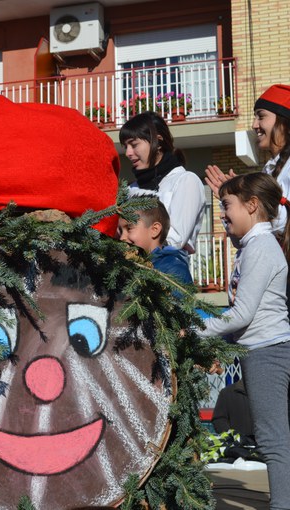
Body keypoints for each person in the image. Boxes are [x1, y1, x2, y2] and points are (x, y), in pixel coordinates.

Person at [196, 172, 290, 508]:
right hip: (261, 351)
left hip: (268, 353)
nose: (222, 213)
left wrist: (194, 330)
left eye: (226, 205)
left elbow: (242, 314)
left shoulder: (261, 247)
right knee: (273, 436)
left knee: (272, 439)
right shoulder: (255, 245)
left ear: (252, 205)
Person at [206, 84, 290, 234]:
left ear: (284, 122)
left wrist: (246, 199)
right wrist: (234, 198)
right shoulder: (269, 169)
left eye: (261, 116)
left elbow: (280, 223)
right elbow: (247, 236)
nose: (254, 125)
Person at [120, 111, 205, 255]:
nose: (128, 153)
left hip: (167, 267)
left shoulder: (185, 181)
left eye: (134, 145)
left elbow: (175, 239)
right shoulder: (130, 189)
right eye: (125, 146)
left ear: (158, 142)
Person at [117, 199, 194, 284]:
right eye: (120, 231)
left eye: (129, 228)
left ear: (154, 230)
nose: (122, 238)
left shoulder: (174, 269)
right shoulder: (124, 266)